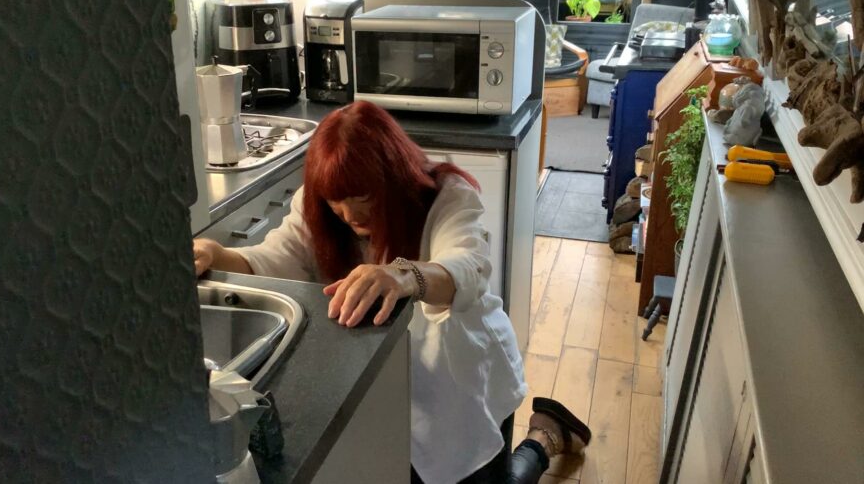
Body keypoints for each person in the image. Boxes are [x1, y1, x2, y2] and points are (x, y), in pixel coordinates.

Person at [194, 101, 592, 483]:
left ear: (392, 178)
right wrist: (219, 254)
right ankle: (546, 434)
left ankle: (545, 436)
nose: (350, 216)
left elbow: (469, 266)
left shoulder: (446, 195)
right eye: (337, 203)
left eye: (363, 199)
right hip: (391, 383)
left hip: (464, 376)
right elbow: (275, 257)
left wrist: (405, 276)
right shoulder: (314, 207)